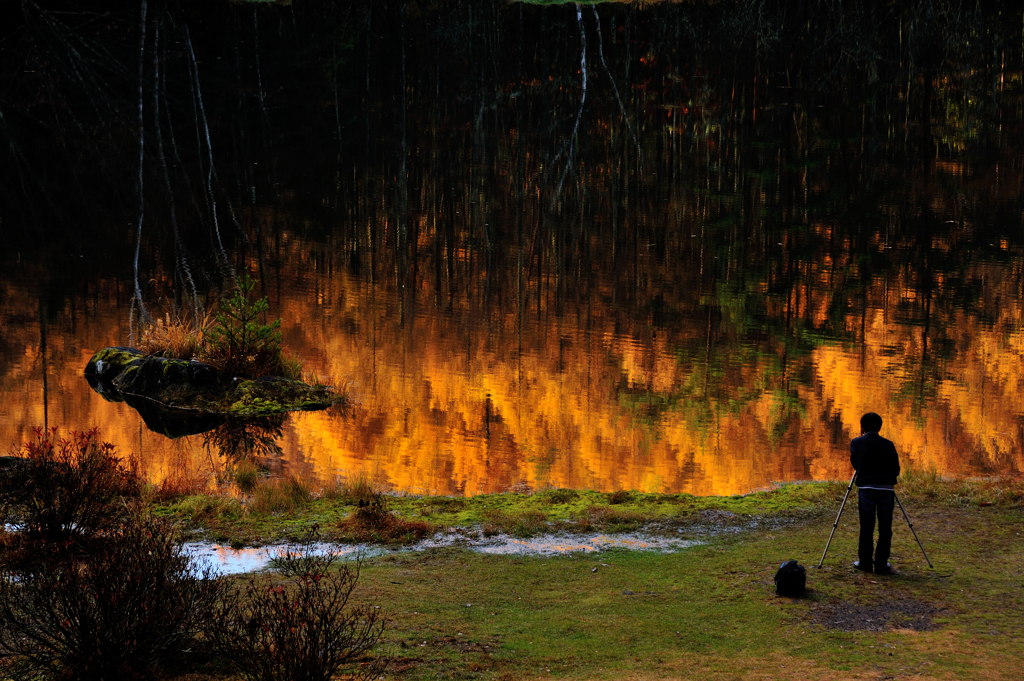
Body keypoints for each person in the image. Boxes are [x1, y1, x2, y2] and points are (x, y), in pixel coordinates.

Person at [849, 412, 900, 574]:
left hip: (866, 489)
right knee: (885, 527)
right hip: (886, 490)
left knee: (867, 526)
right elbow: (896, 469)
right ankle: (881, 563)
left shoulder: (856, 442)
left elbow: (855, 463)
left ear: (862, 427)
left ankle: (865, 562)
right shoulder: (889, 444)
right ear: (880, 427)